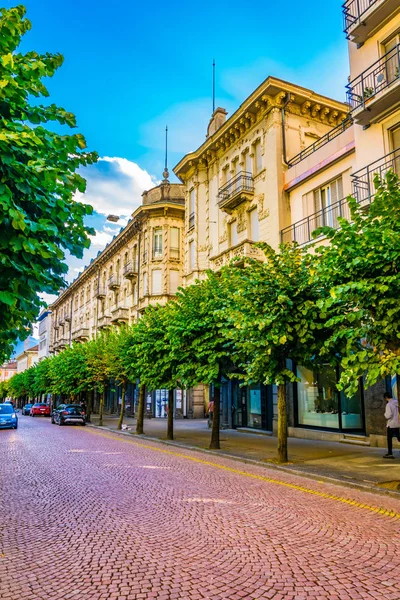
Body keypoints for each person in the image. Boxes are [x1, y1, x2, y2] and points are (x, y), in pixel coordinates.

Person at [383, 392, 400, 459]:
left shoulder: (389, 405)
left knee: (389, 439)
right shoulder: (397, 402)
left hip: (391, 424)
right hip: (398, 423)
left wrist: (385, 415)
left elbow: (388, 415)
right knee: (399, 437)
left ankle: (390, 453)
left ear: (386, 397)